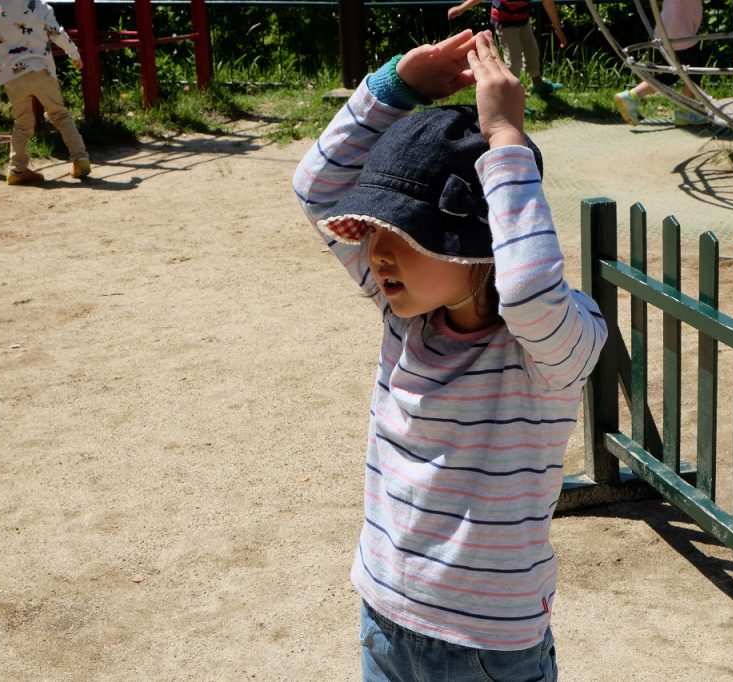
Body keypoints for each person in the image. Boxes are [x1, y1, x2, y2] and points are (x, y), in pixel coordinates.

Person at [292, 28, 607, 681]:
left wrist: (506, 139)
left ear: (478, 240)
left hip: (486, 646)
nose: (377, 251)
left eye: (404, 232)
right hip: (384, 612)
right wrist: (394, 88)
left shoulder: (550, 350)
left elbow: (526, 291)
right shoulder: (405, 318)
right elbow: (317, 188)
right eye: (371, 227)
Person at [0, 0, 91, 185]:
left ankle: (17, 169)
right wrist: (74, 54)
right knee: (59, 114)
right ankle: (80, 159)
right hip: (41, 70)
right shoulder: (40, 5)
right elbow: (57, 32)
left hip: (11, 75)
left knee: (22, 122)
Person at [613, 0, 708, 127]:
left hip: (668, 29)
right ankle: (686, 111)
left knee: (670, 74)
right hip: (679, 32)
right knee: (694, 71)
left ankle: (631, 96)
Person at [447, 0, 567, 99]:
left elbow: (548, 3)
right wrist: (461, 8)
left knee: (532, 51)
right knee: (513, 61)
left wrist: (559, 31)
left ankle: (538, 84)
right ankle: (510, 97)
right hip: (505, 22)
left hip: (523, 20)